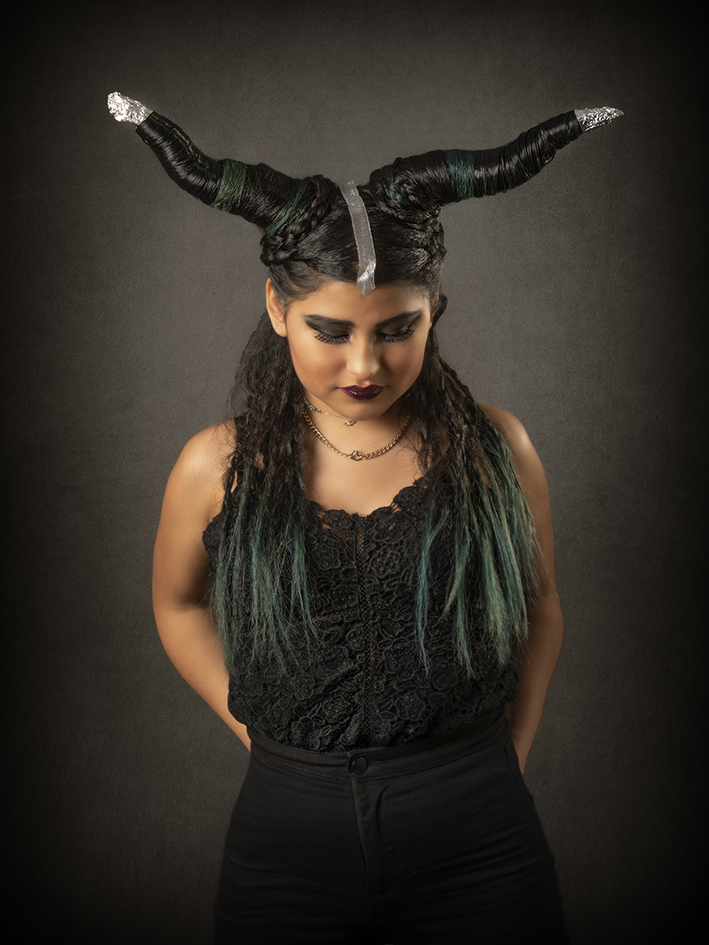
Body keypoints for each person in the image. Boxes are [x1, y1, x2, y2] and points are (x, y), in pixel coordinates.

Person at [109, 93, 621, 944]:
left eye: (396, 328)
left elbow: (539, 608)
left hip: (479, 837)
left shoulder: (497, 448)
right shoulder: (216, 464)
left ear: (433, 308)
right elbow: (176, 602)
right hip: (285, 846)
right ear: (277, 309)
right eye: (329, 329)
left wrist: (508, 758)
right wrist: (260, 734)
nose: (362, 364)